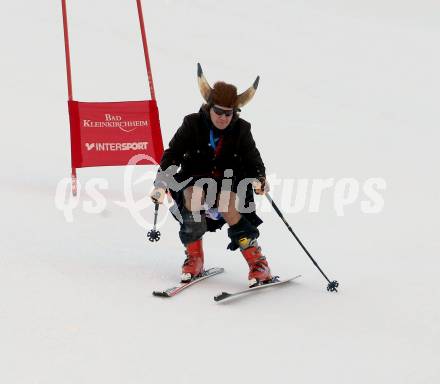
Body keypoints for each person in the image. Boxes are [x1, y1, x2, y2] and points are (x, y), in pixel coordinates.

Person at [150, 64, 272, 287]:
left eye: (229, 113)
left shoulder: (242, 130)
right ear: (209, 108)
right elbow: (173, 154)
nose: (223, 117)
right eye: (218, 111)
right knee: (193, 194)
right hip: (196, 180)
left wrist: (260, 179)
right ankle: (195, 259)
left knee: (227, 203)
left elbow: (253, 159)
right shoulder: (192, 124)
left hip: (229, 183)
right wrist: (160, 182)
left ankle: (258, 262)